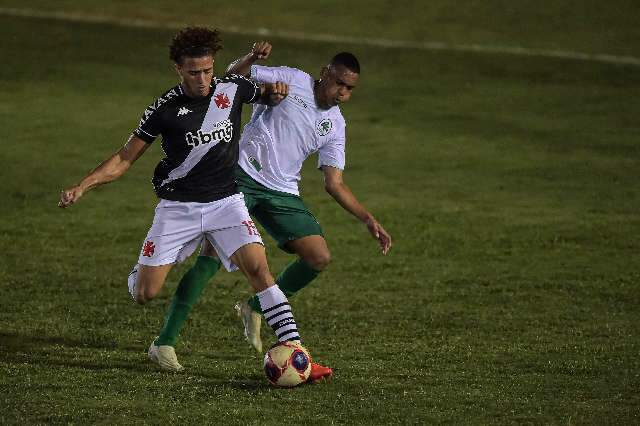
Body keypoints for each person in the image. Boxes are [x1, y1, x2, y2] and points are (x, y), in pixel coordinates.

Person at [58, 28, 331, 381]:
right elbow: (125, 158)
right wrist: (84, 185)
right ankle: (139, 276)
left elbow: (262, 94)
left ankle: (298, 356)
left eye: (207, 70)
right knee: (146, 293)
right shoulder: (164, 109)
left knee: (260, 272)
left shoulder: (230, 89)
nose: (202, 80)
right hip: (178, 208)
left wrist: (274, 93)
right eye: (193, 73)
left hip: (226, 202)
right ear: (178, 69)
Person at [153, 41, 392, 362]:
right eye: (339, 83)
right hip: (239, 178)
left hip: (282, 193)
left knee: (318, 257)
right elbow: (231, 76)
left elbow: (334, 183)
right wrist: (252, 58)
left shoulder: (335, 124)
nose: (342, 92)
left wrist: (367, 218)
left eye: (349, 89)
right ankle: (165, 343)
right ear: (325, 74)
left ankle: (253, 307)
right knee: (209, 258)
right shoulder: (292, 79)